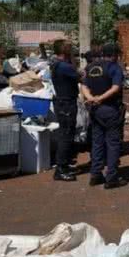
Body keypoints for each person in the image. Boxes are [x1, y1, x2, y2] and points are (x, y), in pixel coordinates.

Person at [80, 44, 127, 189]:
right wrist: (101, 97)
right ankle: (111, 177)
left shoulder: (92, 67)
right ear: (114, 55)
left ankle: (95, 174)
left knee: (97, 142)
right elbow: (115, 87)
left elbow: (83, 86)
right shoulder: (114, 67)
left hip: (95, 110)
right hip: (110, 109)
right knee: (113, 143)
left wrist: (91, 98)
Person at [50, 40, 81, 181]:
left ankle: (64, 165)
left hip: (63, 103)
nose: (72, 50)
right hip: (66, 103)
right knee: (66, 136)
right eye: (70, 49)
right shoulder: (64, 66)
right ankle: (61, 169)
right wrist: (73, 59)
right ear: (64, 51)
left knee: (66, 134)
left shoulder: (57, 64)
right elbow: (80, 77)